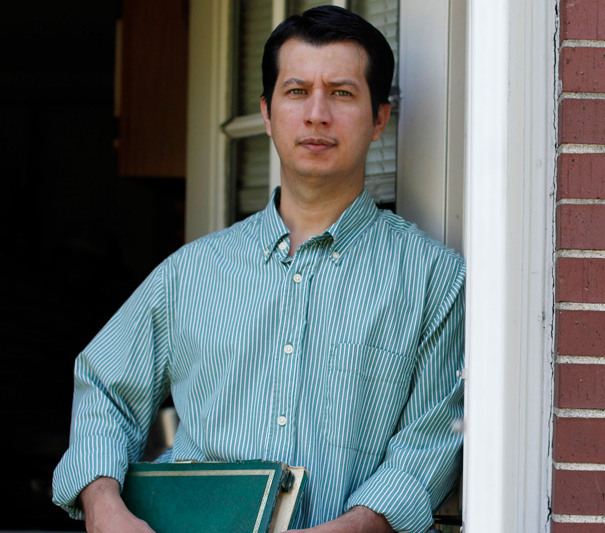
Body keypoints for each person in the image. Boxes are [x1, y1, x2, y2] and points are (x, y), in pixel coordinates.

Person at [52, 6, 465, 533]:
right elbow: (105, 387)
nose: (317, 114)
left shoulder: (434, 279)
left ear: (380, 116)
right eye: (297, 92)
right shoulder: (191, 273)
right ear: (268, 113)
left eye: (341, 93)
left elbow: (427, 443)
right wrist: (103, 506)